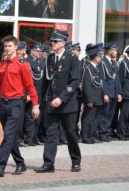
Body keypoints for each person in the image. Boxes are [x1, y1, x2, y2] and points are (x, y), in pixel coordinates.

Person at [0, 35, 39, 177]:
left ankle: (0, 166)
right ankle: (20, 163)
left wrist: (35, 105)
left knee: (8, 135)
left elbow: (30, 86)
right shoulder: (0, 65)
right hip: (3, 103)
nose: (7, 48)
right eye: (5, 46)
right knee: (12, 137)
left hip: (17, 103)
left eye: (10, 46)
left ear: (16, 47)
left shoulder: (22, 64)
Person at [35, 29, 81, 173]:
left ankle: (75, 161)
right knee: (51, 134)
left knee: (70, 133)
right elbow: (46, 82)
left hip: (67, 103)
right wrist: (40, 102)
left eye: (55, 41)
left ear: (63, 43)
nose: (52, 43)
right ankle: (48, 163)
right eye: (52, 41)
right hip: (51, 103)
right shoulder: (49, 58)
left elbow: (74, 82)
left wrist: (61, 98)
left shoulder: (72, 58)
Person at [98, 43, 122, 141]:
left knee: (111, 115)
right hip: (107, 93)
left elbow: (117, 79)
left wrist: (119, 93)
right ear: (109, 51)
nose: (116, 52)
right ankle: (102, 133)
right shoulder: (103, 62)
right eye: (115, 50)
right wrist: (105, 93)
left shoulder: (113, 62)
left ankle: (107, 132)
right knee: (104, 114)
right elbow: (102, 80)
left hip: (114, 93)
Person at [81, 44, 104, 144]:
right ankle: (86, 137)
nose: (100, 58)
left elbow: (100, 84)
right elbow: (87, 86)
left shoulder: (97, 68)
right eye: (99, 56)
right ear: (94, 57)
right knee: (88, 119)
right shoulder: (88, 69)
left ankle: (91, 135)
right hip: (92, 99)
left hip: (98, 98)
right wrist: (89, 100)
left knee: (95, 119)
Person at [24, 42, 44, 146]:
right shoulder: (28, 62)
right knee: (30, 116)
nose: (39, 53)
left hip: (39, 93)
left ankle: (35, 137)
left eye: (40, 51)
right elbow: (26, 80)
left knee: (38, 116)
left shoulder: (40, 62)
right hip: (31, 93)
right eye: (37, 51)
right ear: (32, 51)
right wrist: (27, 93)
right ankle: (29, 138)